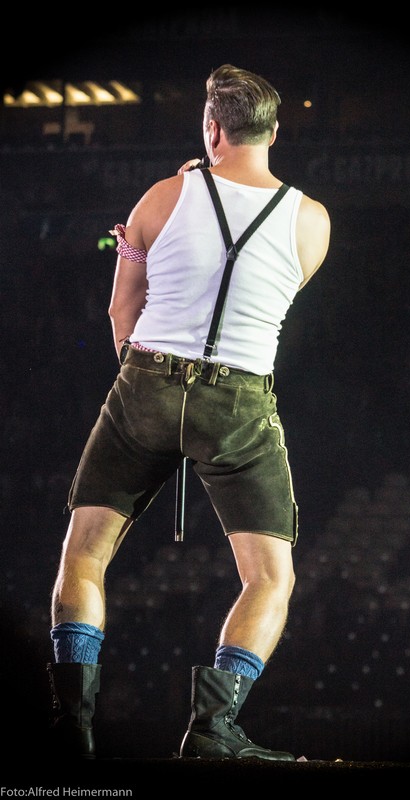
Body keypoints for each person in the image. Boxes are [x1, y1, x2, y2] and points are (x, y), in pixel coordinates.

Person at [47, 64, 331, 761]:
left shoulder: (162, 196)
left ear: (211, 128)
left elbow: (122, 309)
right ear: (273, 131)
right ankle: (213, 728)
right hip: (238, 400)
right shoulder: (311, 220)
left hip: (145, 382)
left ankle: (71, 725)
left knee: (84, 555)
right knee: (270, 578)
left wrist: (142, 381)